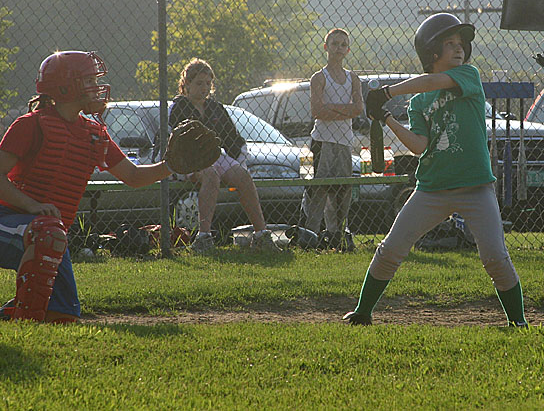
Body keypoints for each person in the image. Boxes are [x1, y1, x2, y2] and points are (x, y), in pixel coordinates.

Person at [342, 13, 528, 327]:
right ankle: (363, 312)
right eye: (449, 43)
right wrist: (386, 117)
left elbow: (431, 81)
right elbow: (418, 145)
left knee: (494, 256)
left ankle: (518, 322)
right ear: (432, 53)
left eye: (461, 44)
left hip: (474, 187)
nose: (459, 49)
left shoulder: (468, 75)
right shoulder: (418, 102)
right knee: (391, 249)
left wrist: (387, 92)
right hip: (431, 188)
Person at [0, 51, 192, 322]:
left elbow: (133, 176)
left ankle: (11, 313)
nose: (96, 87)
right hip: (9, 222)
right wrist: (32, 206)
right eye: (88, 80)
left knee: (62, 315)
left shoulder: (92, 132)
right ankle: (24, 319)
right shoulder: (30, 125)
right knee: (47, 232)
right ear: (66, 86)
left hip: (49, 236)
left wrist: (172, 166)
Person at [169, 59, 278, 253]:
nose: (204, 88)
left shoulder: (215, 108)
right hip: (189, 160)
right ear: (186, 84)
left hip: (216, 157)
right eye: (199, 83)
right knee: (211, 175)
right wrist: (188, 165)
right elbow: (172, 143)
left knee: (243, 176)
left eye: (208, 83)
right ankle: (204, 237)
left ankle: (261, 234)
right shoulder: (177, 108)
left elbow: (234, 141)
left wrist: (239, 163)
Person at [297, 28, 363, 251]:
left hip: (344, 142)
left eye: (343, 44)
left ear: (348, 49)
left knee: (343, 190)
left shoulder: (353, 78)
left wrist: (332, 109)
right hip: (322, 140)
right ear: (326, 47)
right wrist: (346, 110)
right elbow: (317, 111)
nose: (339, 48)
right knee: (318, 190)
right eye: (334, 44)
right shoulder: (319, 78)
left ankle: (337, 235)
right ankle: (309, 235)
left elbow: (359, 108)